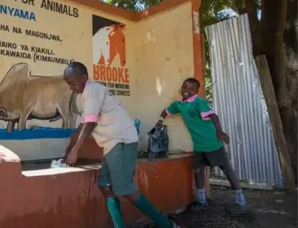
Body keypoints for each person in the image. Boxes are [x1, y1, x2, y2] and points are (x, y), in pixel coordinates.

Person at [62, 62, 179, 228]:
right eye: (68, 84)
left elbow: (90, 124)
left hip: (121, 141)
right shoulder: (87, 94)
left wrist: (75, 151)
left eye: (72, 83)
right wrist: (68, 149)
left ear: (84, 78)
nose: (71, 88)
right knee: (105, 186)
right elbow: (82, 125)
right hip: (112, 144)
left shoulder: (92, 91)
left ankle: (165, 224)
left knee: (127, 190)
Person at [155, 78, 247, 215]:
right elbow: (167, 111)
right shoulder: (179, 104)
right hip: (198, 145)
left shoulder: (199, 102)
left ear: (196, 91)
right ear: (181, 88)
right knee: (198, 171)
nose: (187, 91)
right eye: (185, 87)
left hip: (212, 142)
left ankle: (241, 201)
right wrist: (160, 120)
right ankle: (202, 201)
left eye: (192, 89)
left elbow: (213, 116)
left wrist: (219, 131)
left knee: (226, 169)